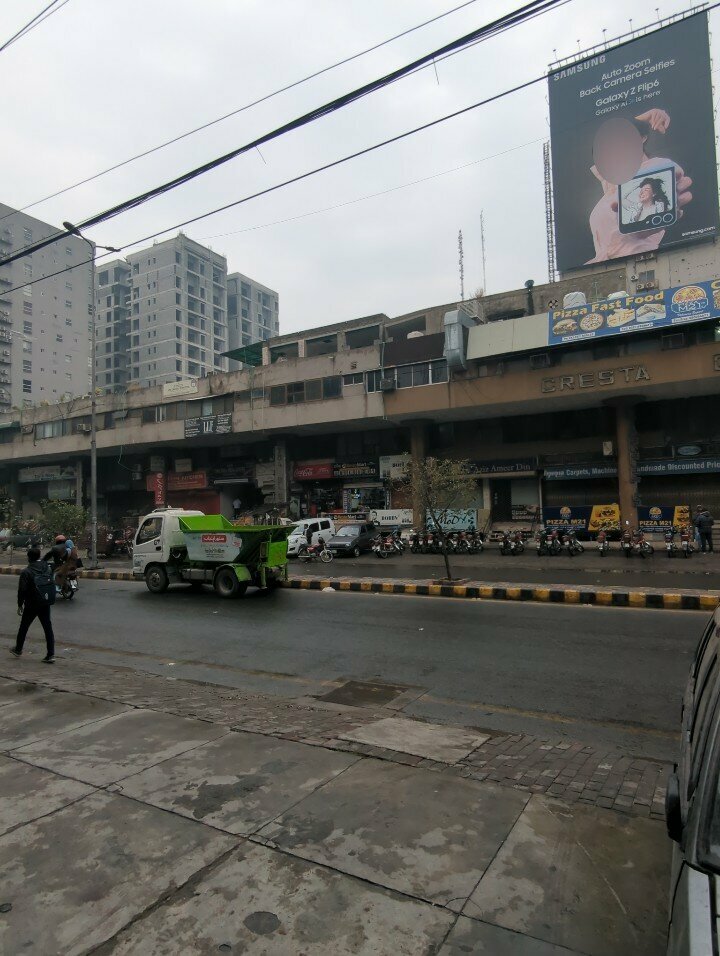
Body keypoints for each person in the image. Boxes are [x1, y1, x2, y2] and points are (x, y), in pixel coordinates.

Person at [586, 109, 693, 263]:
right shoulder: (613, 181)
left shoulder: (658, 166)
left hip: (638, 262)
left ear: (642, 138)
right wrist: (642, 118)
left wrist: (638, 123)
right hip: (604, 267)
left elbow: (675, 180)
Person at [11, 547, 56, 663]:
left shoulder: (27, 572)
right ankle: (51, 654)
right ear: (39, 556)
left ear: (28, 558)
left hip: (32, 604)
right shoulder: (46, 567)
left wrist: (20, 604)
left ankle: (18, 649)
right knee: (48, 628)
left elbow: (22, 590)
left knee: (24, 627)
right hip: (45, 601)